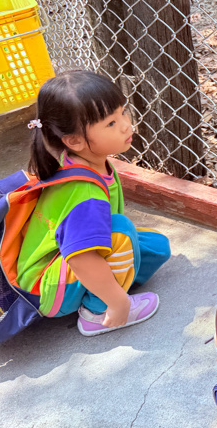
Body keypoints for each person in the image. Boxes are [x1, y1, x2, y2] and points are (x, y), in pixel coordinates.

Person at [17, 71, 170, 336]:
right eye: (111, 123)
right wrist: (117, 303)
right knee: (121, 231)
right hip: (47, 288)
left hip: (60, 268)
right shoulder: (84, 192)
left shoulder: (84, 161)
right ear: (75, 140)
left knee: (157, 246)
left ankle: (108, 284)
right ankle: (97, 312)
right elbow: (81, 258)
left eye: (123, 112)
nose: (126, 125)